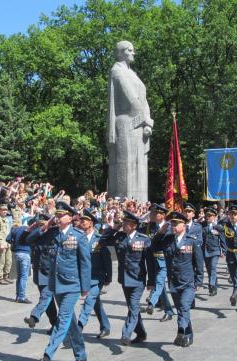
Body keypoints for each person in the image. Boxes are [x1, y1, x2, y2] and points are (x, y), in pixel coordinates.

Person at [32, 201, 90, 361]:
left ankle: (48, 353)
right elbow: (28, 239)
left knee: (63, 319)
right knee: (70, 320)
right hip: (55, 284)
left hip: (72, 285)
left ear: (70, 217)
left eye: (60, 215)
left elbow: (85, 263)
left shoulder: (79, 236)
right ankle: (81, 354)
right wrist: (44, 226)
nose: (57, 217)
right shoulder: (51, 234)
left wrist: (85, 287)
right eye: (56, 215)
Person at [107, 41, 154, 202]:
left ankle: (140, 205)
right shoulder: (117, 71)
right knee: (125, 166)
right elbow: (132, 98)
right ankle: (124, 204)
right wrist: (145, 119)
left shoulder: (133, 74)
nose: (133, 53)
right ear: (120, 52)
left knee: (139, 166)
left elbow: (144, 100)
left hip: (139, 123)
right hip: (127, 122)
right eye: (130, 50)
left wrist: (147, 123)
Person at [99, 210, 151, 346]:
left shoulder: (143, 239)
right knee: (132, 307)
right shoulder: (120, 237)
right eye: (124, 222)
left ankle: (126, 334)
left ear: (134, 225)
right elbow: (102, 241)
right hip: (124, 278)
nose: (124, 224)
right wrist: (114, 228)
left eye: (127, 223)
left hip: (138, 278)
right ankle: (141, 333)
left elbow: (150, 262)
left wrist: (151, 281)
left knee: (133, 306)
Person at [150, 211, 197, 347]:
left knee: (183, 306)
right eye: (172, 223)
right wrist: (160, 233)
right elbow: (153, 247)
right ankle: (188, 333)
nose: (174, 226)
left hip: (188, 281)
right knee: (182, 309)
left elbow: (198, 262)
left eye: (177, 223)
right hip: (174, 282)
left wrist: (198, 280)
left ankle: (181, 330)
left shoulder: (191, 240)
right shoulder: (167, 239)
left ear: (184, 225)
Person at [77, 208, 112, 338]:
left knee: (89, 300)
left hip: (97, 276)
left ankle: (80, 325)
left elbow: (107, 259)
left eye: (85, 220)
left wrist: (109, 277)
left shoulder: (99, 240)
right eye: (81, 219)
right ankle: (105, 326)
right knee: (95, 302)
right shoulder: (79, 238)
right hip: (84, 277)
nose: (82, 222)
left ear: (91, 223)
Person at [22, 214, 58, 334]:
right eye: (40, 225)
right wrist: (39, 228)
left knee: (46, 296)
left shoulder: (56, 233)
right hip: (40, 272)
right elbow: (25, 240)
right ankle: (55, 324)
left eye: (44, 224)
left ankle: (34, 317)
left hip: (52, 272)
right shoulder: (37, 235)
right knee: (49, 302)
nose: (42, 227)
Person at [143, 203, 174, 321]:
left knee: (160, 282)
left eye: (156, 213)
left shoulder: (170, 227)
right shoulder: (150, 227)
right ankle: (169, 311)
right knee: (161, 288)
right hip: (152, 259)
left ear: (163, 215)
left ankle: (151, 303)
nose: (153, 215)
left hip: (164, 260)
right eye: (152, 213)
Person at [202, 207, 226, 296]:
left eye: (210, 216)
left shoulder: (218, 227)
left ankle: (211, 285)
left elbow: (223, 238)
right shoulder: (202, 225)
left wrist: (223, 250)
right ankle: (214, 287)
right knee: (209, 270)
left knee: (212, 267)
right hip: (205, 251)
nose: (208, 217)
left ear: (214, 217)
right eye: (206, 215)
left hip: (215, 250)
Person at [7, 221, 32, 303]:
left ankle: (18, 295)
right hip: (25, 253)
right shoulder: (29, 229)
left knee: (20, 276)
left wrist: (14, 243)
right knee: (24, 276)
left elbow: (8, 239)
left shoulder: (15, 229)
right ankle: (21, 296)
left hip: (17, 253)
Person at [0, 204, 12, 285]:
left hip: (7, 243)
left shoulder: (6, 219)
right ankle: (0, 278)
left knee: (8, 260)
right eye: (3, 210)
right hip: (1, 243)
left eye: (5, 210)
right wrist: (0, 243)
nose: (4, 211)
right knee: (1, 261)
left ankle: (6, 276)